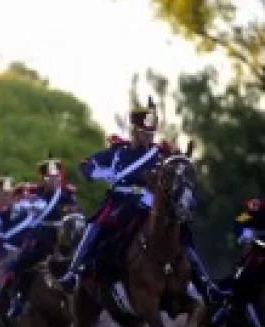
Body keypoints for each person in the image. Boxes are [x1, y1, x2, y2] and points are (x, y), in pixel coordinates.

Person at [57, 98, 228, 306]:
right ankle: (75, 272)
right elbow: (87, 165)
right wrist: (98, 172)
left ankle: (206, 285)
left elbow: (178, 172)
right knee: (96, 225)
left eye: (151, 133)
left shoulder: (161, 154)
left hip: (150, 204)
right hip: (120, 201)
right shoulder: (117, 152)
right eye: (144, 132)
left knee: (181, 233)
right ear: (134, 131)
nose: (148, 137)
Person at [7, 156, 78, 318]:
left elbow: (75, 213)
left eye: (56, 178)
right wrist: (28, 205)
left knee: (82, 260)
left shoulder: (67, 194)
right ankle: (19, 299)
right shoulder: (34, 193)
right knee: (19, 264)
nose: (53, 181)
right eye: (50, 178)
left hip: (63, 237)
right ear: (43, 179)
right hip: (42, 237)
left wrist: (71, 212)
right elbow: (18, 211)